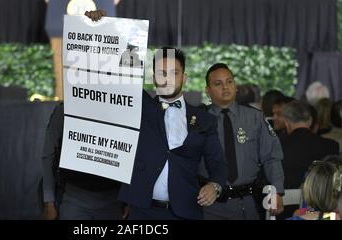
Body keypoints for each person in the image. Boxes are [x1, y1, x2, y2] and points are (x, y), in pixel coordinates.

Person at [119, 47, 227, 220]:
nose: (167, 79)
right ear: (154, 79)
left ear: (184, 78)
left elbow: (218, 164)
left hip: (187, 211)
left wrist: (215, 186)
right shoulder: (138, 109)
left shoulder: (205, 120)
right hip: (142, 212)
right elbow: (119, 74)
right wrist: (97, 23)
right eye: (162, 73)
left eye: (174, 73)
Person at [201, 63, 285, 220]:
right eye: (218, 84)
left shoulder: (255, 118)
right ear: (208, 90)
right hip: (209, 205)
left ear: (236, 86)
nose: (225, 87)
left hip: (247, 204)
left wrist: (277, 191)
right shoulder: (198, 119)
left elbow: (271, 157)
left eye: (229, 82)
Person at [42, 103, 124, 220]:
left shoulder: (122, 109)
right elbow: (49, 155)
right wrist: (49, 202)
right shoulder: (65, 108)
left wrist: (130, 199)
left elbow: (134, 156)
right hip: (74, 197)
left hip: (113, 199)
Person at [280, 101, 338, 190]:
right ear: (310, 121)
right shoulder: (331, 146)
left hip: (283, 200)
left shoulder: (275, 146)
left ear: (286, 123)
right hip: (319, 199)